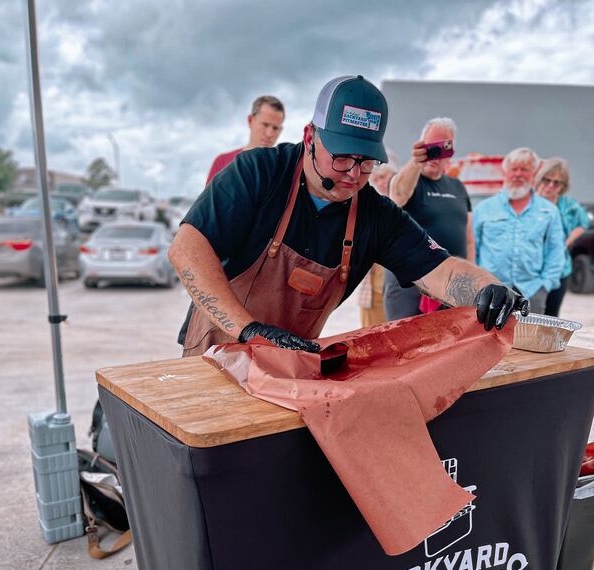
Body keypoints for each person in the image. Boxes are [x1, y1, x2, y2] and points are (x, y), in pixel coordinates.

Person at [170, 75, 527, 358]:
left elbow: (440, 270)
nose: (353, 174)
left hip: (290, 362)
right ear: (310, 136)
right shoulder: (258, 172)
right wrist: (249, 330)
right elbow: (187, 249)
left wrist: (488, 289)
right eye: (342, 157)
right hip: (218, 347)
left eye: (367, 161)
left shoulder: (374, 214)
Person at [383, 117, 474, 320]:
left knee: (449, 347)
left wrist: (470, 279)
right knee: (405, 348)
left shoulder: (458, 187)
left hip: (451, 287)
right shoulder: (407, 179)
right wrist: (416, 162)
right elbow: (397, 195)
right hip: (409, 288)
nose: (434, 155)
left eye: (441, 148)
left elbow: (468, 237)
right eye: (429, 147)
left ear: (450, 151)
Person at [473, 147, 565, 314]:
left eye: (524, 169)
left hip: (532, 291)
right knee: (489, 338)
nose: (518, 174)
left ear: (534, 173)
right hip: (491, 290)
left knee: (529, 339)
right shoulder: (484, 209)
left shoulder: (549, 211)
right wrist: (479, 283)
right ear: (505, 172)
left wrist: (545, 285)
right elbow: (473, 249)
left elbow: (556, 252)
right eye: (513, 169)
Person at [535, 158, 590, 317]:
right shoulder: (529, 202)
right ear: (539, 179)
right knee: (528, 315)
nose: (551, 185)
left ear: (563, 186)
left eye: (557, 182)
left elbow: (583, 223)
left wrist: (567, 241)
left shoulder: (568, 204)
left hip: (560, 269)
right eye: (547, 180)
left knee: (551, 316)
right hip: (531, 271)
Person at [205, 95, 285, 185]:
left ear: (280, 130)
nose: (269, 134)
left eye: (275, 128)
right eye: (265, 125)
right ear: (250, 120)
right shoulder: (222, 162)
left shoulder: (284, 170)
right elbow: (208, 199)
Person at [357, 155, 397, 327]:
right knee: (369, 335)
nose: (381, 182)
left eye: (384, 176)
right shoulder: (370, 206)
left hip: (396, 287)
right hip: (372, 288)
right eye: (377, 178)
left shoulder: (402, 205)